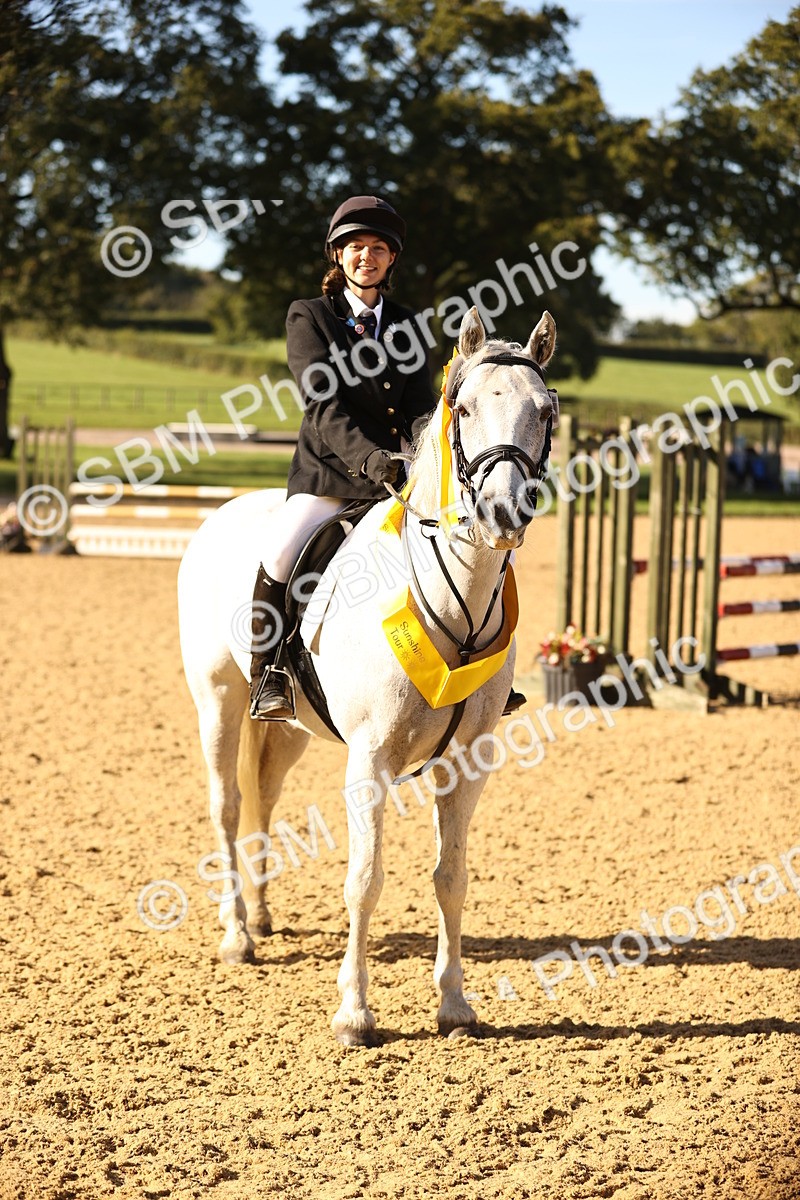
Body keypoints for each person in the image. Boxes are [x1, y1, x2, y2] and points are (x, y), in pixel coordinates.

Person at [249, 194, 437, 719]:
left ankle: (481, 668)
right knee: (282, 553)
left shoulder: (406, 323)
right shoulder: (309, 316)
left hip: (400, 474)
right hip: (330, 473)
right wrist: (371, 459)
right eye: (356, 246)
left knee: (468, 541)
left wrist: (424, 455)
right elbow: (322, 405)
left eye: (378, 247)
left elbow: (420, 407)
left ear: (391, 258)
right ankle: (268, 673)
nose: (366, 256)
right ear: (338, 254)